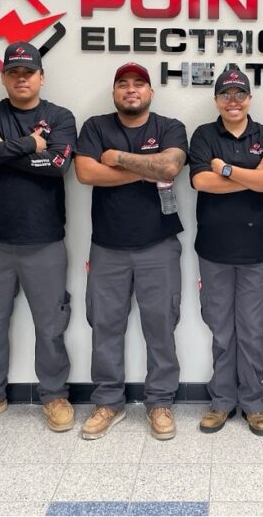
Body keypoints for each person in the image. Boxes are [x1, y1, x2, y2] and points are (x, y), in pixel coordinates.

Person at [0, 41, 77, 433]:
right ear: (3, 77)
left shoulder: (60, 116)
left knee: (51, 325)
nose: (22, 78)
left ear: (41, 77)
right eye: (14, 72)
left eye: (29, 72)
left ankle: (54, 394)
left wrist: (1, 149)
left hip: (45, 241)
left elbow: (57, 165)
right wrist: (28, 145)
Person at [74, 62, 188, 441]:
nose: (131, 90)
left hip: (159, 245)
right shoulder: (95, 127)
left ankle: (160, 402)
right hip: (108, 247)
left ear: (151, 92)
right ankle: (108, 401)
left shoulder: (169, 127)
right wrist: (148, 169)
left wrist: (118, 158)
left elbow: (171, 166)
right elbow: (86, 174)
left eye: (139, 84)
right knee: (105, 326)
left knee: (161, 327)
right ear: (114, 93)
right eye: (122, 84)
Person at [189, 69, 263, 436]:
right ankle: (221, 402)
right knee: (221, 331)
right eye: (226, 94)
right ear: (216, 100)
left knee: (252, 330)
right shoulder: (203, 135)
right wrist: (249, 176)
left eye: (239, 94)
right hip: (213, 250)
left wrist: (225, 169)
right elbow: (201, 182)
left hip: (256, 250)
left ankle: (255, 405)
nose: (233, 100)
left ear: (249, 98)